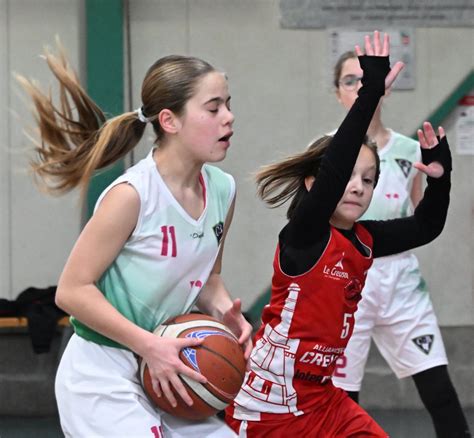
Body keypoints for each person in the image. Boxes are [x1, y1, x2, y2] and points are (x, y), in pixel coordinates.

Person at [225, 31, 452, 437]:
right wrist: (369, 95)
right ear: (316, 183)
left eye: (368, 180)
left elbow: (427, 226)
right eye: (347, 177)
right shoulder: (304, 236)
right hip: (272, 401)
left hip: (325, 398)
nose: (358, 186)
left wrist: (441, 176)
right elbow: (335, 169)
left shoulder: (366, 239)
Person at [18, 47, 253, 437]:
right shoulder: (132, 195)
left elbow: (210, 278)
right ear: (169, 120)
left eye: (228, 105)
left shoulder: (223, 191)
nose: (229, 117)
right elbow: (72, 291)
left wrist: (227, 312)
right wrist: (148, 346)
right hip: (102, 373)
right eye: (213, 109)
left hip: (168, 366)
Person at [331, 50, 471, 438]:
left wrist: (442, 182)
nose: (360, 87)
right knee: (343, 399)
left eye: (365, 79)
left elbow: (418, 220)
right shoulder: (326, 150)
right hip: (347, 280)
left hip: (400, 282)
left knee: (439, 390)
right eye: (349, 81)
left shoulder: (411, 151)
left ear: (383, 88)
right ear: (336, 92)